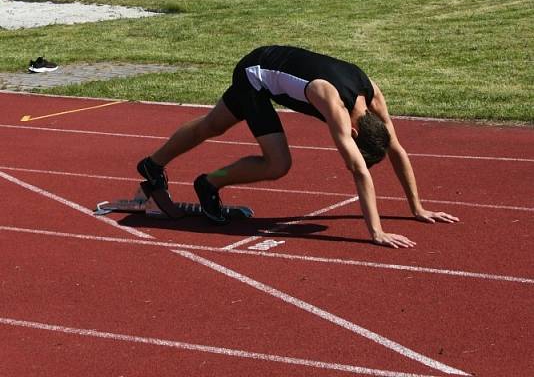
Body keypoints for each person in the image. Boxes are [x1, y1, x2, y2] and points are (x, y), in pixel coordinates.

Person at [136, 45, 459, 246]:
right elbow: (358, 170)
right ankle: (210, 182)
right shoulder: (332, 103)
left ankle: (153, 164)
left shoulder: (372, 93)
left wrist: (416, 208)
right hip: (255, 77)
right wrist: (376, 232)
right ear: (356, 133)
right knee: (278, 164)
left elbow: (396, 148)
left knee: (211, 126)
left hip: (266, 62)